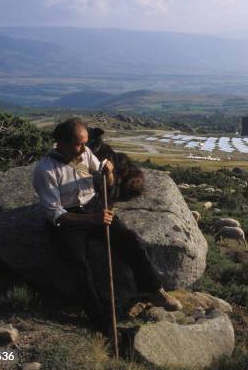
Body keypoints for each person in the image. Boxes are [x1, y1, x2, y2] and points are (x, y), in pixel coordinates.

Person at [32, 118, 181, 333]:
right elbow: (54, 213)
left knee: (132, 241)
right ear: (61, 143)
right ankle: (102, 323)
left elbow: (106, 182)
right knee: (80, 267)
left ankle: (153, 290)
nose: (84, 148)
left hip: (93, 206)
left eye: (85, 143)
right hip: (68, 220)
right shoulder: (45, 170)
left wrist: (108, 173)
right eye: (78, 144)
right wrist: (92, 220)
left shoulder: (84, 154)